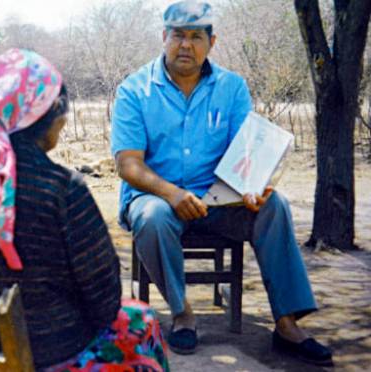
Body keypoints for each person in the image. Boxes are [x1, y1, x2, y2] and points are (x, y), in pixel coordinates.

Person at [111, 0, 333, 366]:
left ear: (212, 43)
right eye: (178, 35)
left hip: (217, 202)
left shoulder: (231, 88)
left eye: (196, 36)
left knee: (274, 205)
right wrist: (173, 193)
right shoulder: (135, 90)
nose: (186, 45)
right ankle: (182, 314)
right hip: (157, 198)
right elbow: (128, 165)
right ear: (164, 38)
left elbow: (246, 153)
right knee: (152, 217)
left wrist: (253, 186)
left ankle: (287, 324)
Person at [0, 48, 169, 371]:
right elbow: (105, 301)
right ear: (44, 114)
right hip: (51, 358)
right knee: (142, 320)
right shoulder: (62, 189)